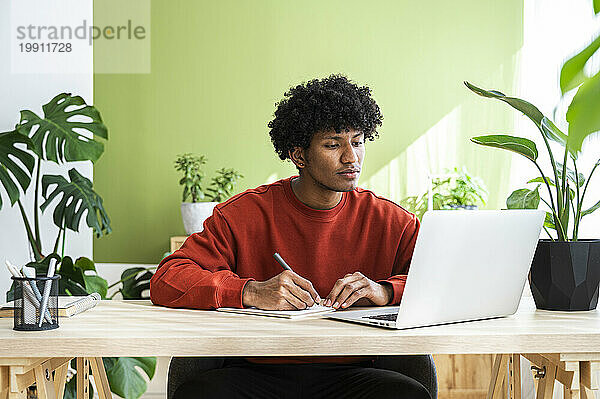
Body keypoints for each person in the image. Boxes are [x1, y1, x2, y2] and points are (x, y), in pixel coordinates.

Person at [150, 74, 431, 399]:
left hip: (356, 372)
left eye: (357, 141)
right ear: (299, 156)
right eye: (333, 144)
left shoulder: (391, 220)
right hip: (254, 370)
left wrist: (384, 291)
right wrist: (250, 292)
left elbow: (442, 284)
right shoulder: (242, 214)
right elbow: (168, 280)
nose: (351, 157)